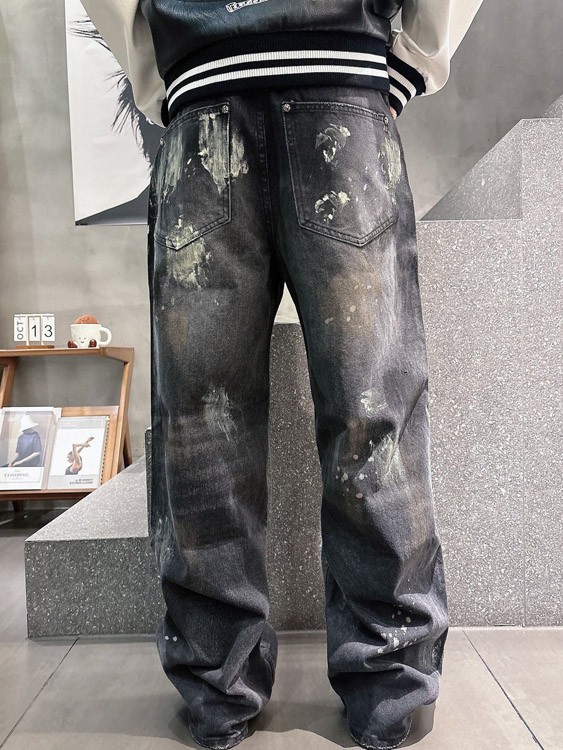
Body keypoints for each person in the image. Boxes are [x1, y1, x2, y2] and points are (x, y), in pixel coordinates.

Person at [80, 2, 484, 749]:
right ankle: (391, 689)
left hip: (205, 102)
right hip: (341, 95)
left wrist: (159, 72)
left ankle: (217, 687)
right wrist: (413, 56)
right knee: (372, 416)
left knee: (202, 429)